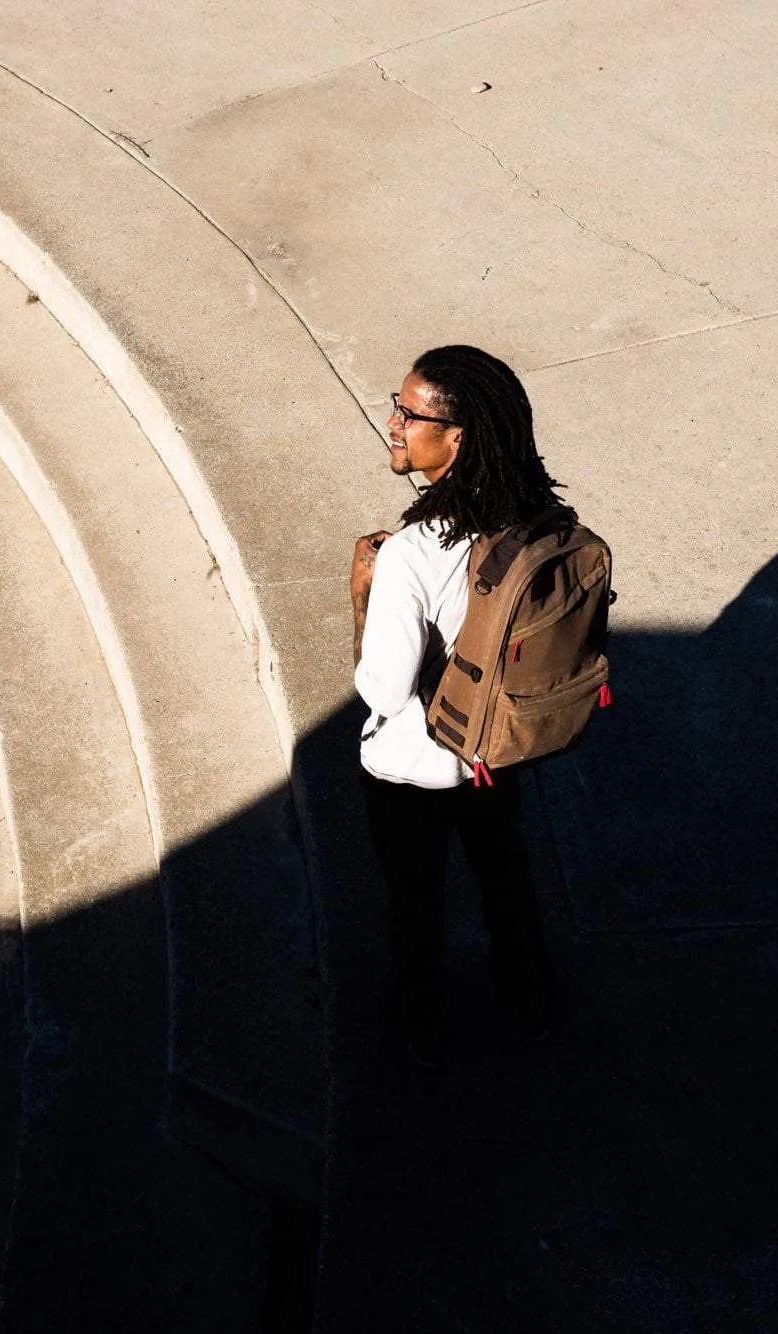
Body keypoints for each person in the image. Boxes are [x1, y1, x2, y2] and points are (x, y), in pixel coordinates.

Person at [349, 345, 568, 1067]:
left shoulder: (410, 553)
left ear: (457, 437)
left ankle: (424, 1033)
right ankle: (530, 1001)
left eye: (409, 414)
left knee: (415, 903)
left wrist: (362, 594)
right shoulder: (533, 514)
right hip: (496, 751)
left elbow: (383, 688)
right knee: (503, 872)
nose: (393, 422)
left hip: (413, 771)